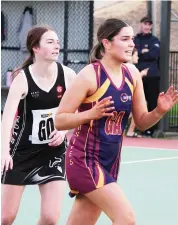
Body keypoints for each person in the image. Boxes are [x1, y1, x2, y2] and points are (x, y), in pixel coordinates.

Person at [55, 18, 178, 225]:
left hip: (109, 162)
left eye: (132, 39)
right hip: (84, 160)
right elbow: (59, 121)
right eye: (125, 39)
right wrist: (89, 114)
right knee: (126, 218)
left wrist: (158, 111)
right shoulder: (89, 75)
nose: (132, 44)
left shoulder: (132, 74)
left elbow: (141, 122)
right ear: (106, 43)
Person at [1, 25, 76, 225]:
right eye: (50, 42)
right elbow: (7, 118)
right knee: (6, 217)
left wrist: (63, 130)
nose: (56, 46)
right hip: (22, 152)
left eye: (57, 42)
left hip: (53, 152)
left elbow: (77, 109)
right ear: (35, 47)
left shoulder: (68, 75)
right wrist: (4, 152)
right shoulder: (23, 79)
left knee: (51, 218)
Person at [134, 16, 160, 137]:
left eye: (149, 24)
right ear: (141, 24)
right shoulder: (135, 39)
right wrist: (142, 52)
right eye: (145, 24)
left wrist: (142, 53)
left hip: (151, 75)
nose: (147, 26)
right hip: (136, 75)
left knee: (152, 101)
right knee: (136, 101)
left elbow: (154, 54)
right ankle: (135, 127)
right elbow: (134, 53)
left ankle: (150, 129)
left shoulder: (154, 40)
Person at [126, 48, 148, 137]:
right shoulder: (128, 67)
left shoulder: (131, 68)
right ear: (131, 56)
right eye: (136, 55)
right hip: (126, 95)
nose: (138, 57)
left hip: (129, 94)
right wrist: (141, 74)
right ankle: (129, 130)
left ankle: (129, 130)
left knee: (136, 110)